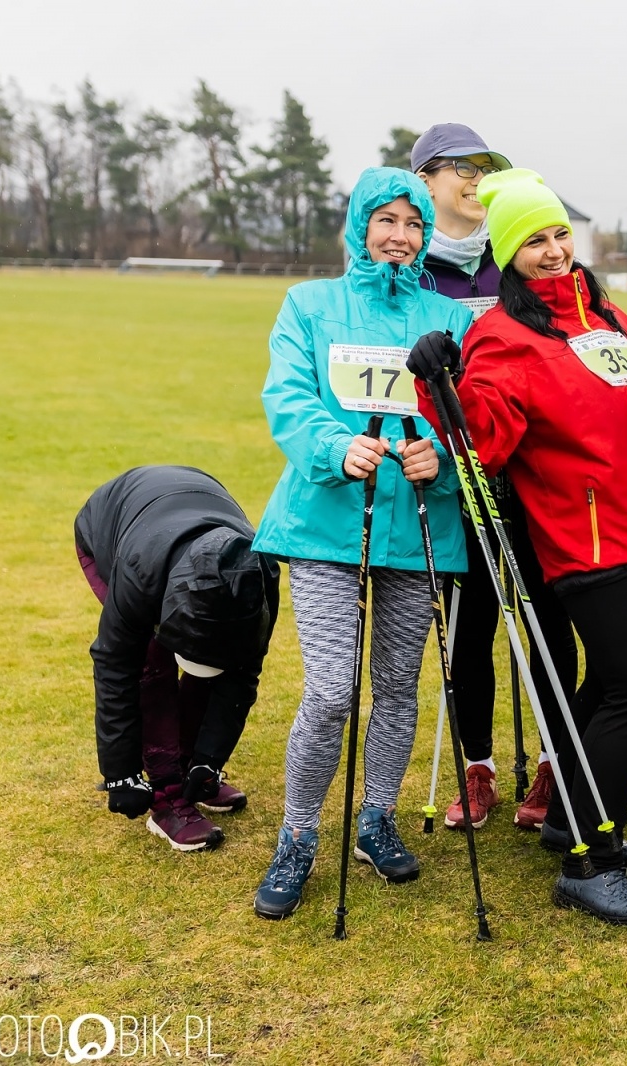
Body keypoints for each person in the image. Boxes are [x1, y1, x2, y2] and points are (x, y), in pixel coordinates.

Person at [410, 168, 627, 926]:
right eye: (533, 241)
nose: (554, 250)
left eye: (560, 233)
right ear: (508, 253)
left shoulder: (609, 318)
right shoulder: (505, 334)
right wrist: (441, 384)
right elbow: (483, 440)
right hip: (590, 544)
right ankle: (588, 858)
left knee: (605, 687)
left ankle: (569, 815)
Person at [250, 167, 472, 921]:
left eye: (414, 226)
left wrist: (438, 456)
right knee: (332, 690)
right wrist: (334, 446)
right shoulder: (309, 305)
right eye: (387, 221)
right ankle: (299, 834)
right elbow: (287, 396)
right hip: (326, 524)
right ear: (360, 224)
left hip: (416, 526)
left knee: (399, 687)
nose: (401, 237)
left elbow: (467, 414)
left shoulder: (451, 320)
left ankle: (376, 818)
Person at [412, 121, 575, 833]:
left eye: (486, 167)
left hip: (534, 474)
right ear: (425, 181)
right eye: (459, 167)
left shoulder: (513, 259)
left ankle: (552, 762)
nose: (475, 178)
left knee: (547, 621)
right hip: (460, 476)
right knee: (471, 627)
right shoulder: (413, 269)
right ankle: (476, 769)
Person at [76, 466, 278, 852]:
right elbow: (115, 668)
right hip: (113, 526)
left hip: (182, 508)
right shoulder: (139, 574)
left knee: (218, 666)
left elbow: (242, 674)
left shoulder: (258, 573)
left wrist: (209, 760)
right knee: (153, 665)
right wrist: (120, 775)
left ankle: (192, 773)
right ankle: (167, 795)